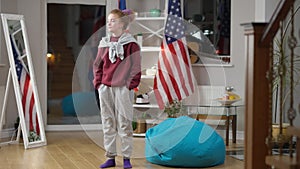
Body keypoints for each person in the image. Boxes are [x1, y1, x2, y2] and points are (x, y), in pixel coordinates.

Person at [93, 9, 141, 169]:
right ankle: (110, 157)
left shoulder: (131, 44)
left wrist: (129, 85)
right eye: (108, 21)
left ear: (122, 24)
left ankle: (126, 158)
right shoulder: (104, 43)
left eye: (113, 20)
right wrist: (99, 84)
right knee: (107, 121)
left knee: (125, 122)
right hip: (105, 88)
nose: (109, 23)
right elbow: (97, 65)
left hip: (123, 88)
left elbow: (136, 67)